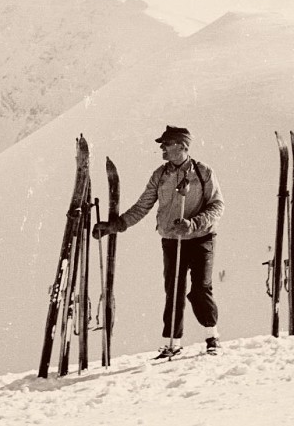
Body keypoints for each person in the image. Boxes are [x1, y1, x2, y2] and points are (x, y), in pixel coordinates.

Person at [92, 125, 225, 357]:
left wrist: (193, 223)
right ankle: (173, 343)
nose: (162, 149)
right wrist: (117, 225)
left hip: (201, 238)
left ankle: (212, 337)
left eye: (167, 144)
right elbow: (143, 205)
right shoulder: (160, 175)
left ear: (183, 146)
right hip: (172, 240)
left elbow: (217, 206)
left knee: (200, 289)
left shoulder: (203, 173)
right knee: (173, 290)